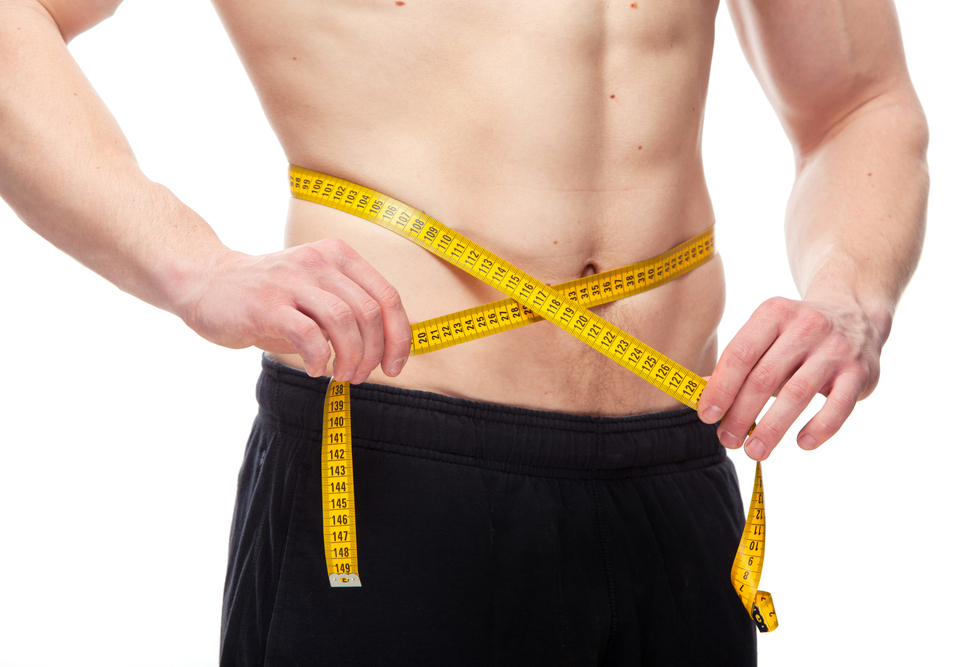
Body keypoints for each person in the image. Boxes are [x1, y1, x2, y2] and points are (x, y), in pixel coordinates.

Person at [0, 0, 927, 665]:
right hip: (391, 471)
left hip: (676, 467)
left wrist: (849, 287)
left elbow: (858, 102)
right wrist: (192, 267)